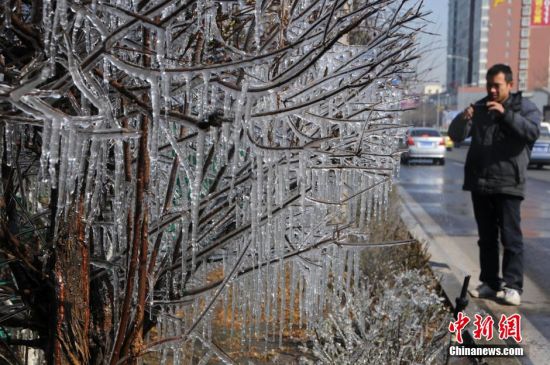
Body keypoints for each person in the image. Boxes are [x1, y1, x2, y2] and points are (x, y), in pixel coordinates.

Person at [448, 64, 541, 306]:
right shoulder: (480, 107)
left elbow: (531, 133)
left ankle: (512, 286)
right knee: (486, 238)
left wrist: (506, 115)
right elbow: (456, 135)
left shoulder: (524, 108)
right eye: (489, 85)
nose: (491, 90)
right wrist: (462, 118)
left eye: (496, 85)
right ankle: (490, 282)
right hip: (481, 183)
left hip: (509, 183)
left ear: (510, 85)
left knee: (511, 238)